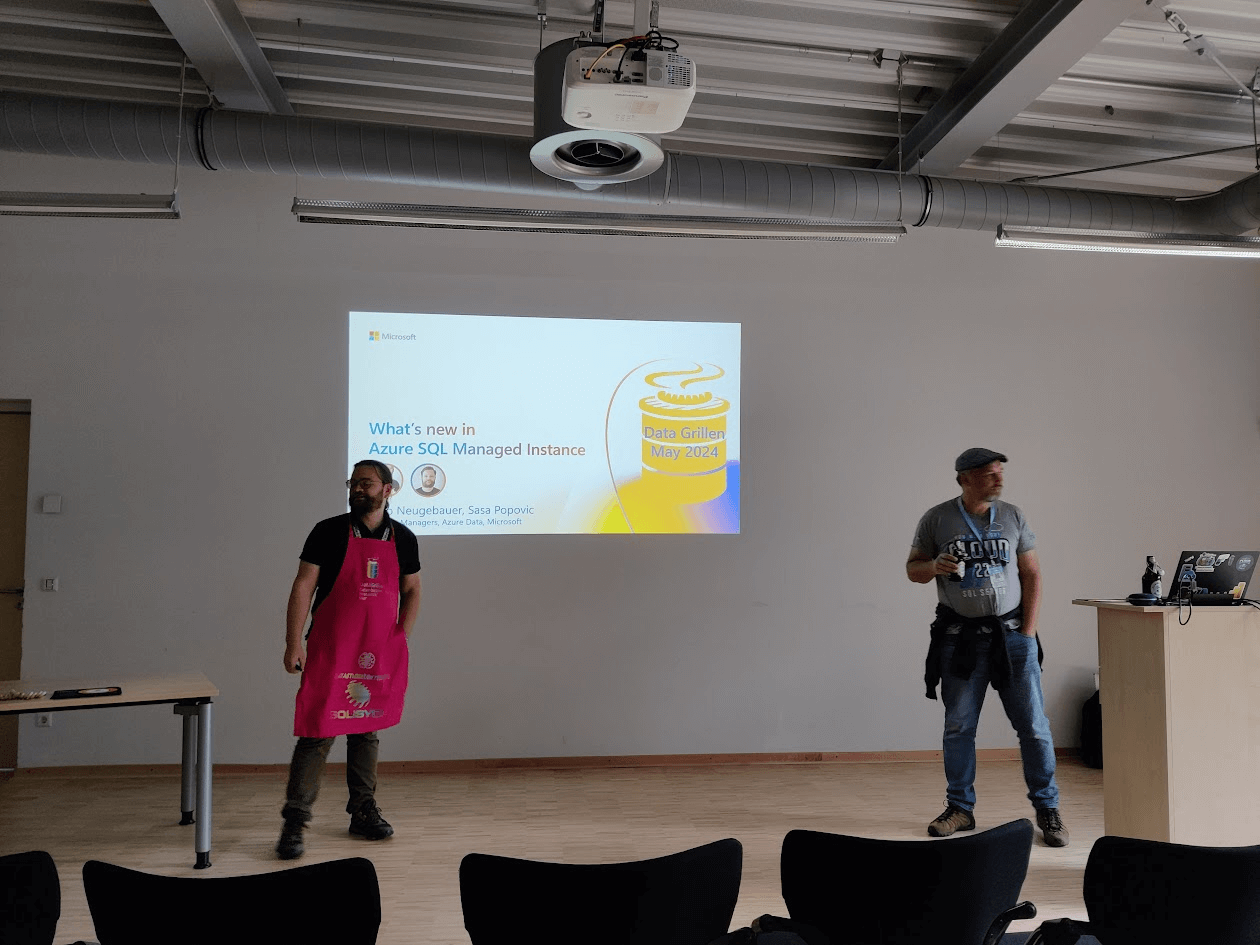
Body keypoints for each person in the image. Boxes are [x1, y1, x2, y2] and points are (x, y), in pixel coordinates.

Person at [906, 448, 1068, 847]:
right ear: (964, 478)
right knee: (959, 727)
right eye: (989, 474)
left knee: (1034, 727)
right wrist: (934, 566)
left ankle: (1048, 808)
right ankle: (960, 808)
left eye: (1000, 473)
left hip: (1012, 638)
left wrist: (1027, 632)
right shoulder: (937, 519)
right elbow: (913, 569)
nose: (999, 479)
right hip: (959, 640)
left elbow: (1032, 574)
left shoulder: (1013, 516)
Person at [276, 460, 422, 860]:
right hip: (331, 647)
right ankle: (295, 821)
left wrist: (401, 637)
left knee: (366, 730)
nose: (357, 488)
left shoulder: (404, 538)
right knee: (317, 731)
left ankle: (363, 811)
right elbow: (303, 585)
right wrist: (293, 642)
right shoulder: (327, 531)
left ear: (387, 490)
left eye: (366, 483)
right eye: (353, 482)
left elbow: (412, 589)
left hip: (376, 651)